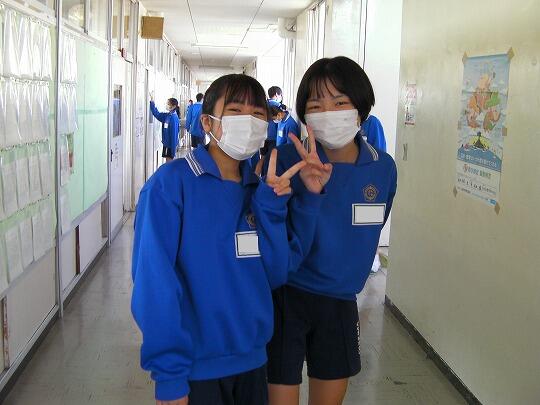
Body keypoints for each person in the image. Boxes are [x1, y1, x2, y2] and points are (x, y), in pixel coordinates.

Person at [132, 73, 330, 405]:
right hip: (196, 371)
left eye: (257, 114)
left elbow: (276, 272)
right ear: (207, 122)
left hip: (253, 363)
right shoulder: (171, 185)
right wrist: (169, 375)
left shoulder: (259, 190)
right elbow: (154, 283)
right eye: (236, 110)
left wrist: (278, 206)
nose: (248, 122)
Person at [265, 56, 398, 405]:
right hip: (286, 297)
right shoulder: (285, 160)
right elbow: (270, 233)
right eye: (316, 105)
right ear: (304, 115)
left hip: (340, 301)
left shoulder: (382, 168)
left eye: (339, 102)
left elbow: (372, 227)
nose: (328, 112)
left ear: (360, 108)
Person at [360, 114, 388, 273]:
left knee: (370, 222)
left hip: (370, 181)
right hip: (352, 180)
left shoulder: (372, 123)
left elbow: (380, 154)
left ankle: (374, 258)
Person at [150, 95, 180, 162]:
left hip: (170, 146)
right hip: (166, 144)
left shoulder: (174, 118)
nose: (167, 105)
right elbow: (157, 114)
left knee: (169, 162)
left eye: (168, 104)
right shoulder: (167, 116)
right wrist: (152, 101)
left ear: (174, 106)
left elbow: (174, 135)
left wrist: (173, 151)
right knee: (167, 161)